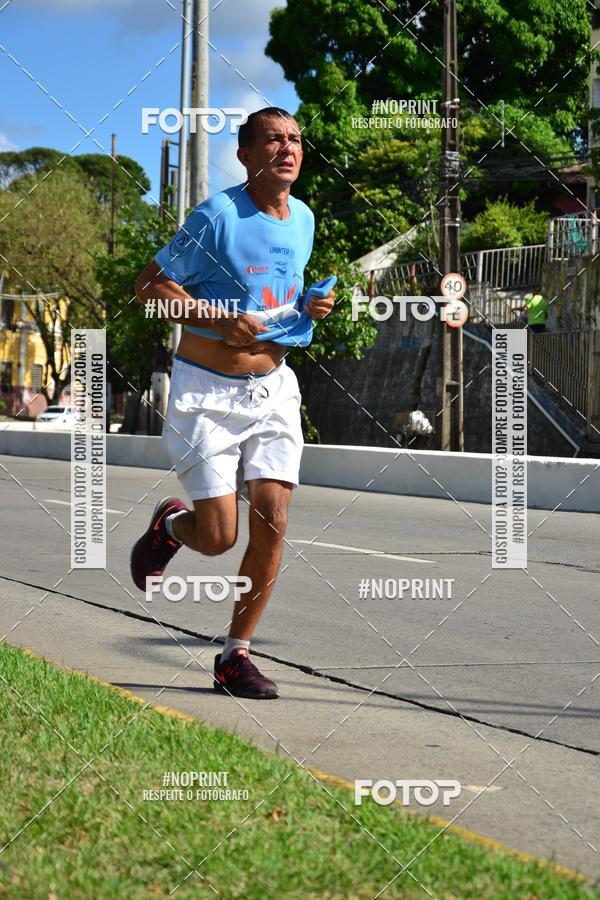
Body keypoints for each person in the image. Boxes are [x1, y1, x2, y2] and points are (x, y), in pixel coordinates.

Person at [130, 107, 335, 699]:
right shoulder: (217, 215)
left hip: (274, 388)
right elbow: (149, 289)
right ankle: (171, 526)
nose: (288, 149)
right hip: (206, 395)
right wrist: (215, 316)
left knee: (273, 521)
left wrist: (309, 307)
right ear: (245, 154)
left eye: (295, 140)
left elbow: (279, 301)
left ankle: (234, 656)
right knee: (219, 536)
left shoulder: (304, 219)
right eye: (274, 139)